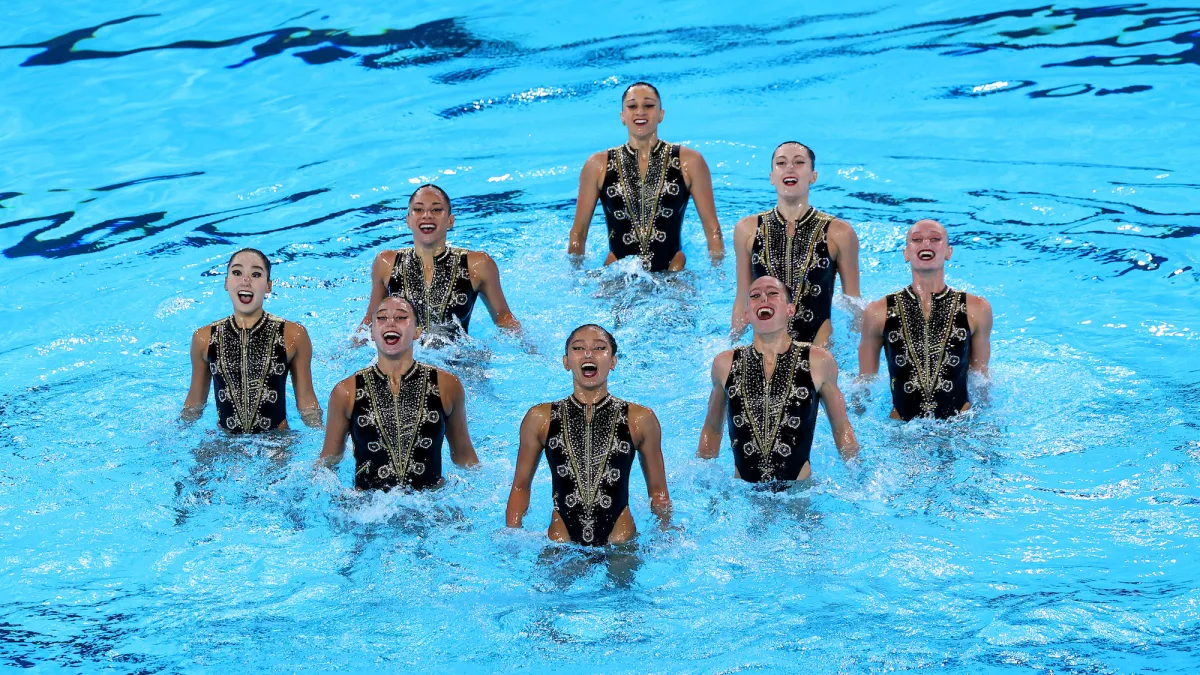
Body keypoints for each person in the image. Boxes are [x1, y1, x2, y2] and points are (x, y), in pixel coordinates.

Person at [506, 325, 671, 545]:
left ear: (613, 361)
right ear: (566, 362)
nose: (588, 354)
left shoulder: (639, 419)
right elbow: (520, 485)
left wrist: (665, 531)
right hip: (561, 541)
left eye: (600, 348)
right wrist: (512, 535)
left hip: (620, 540)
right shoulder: (540, 418)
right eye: (578, 348)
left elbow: (658, 491)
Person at [698, 276, 859, 481]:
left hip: (798, 494)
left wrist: (856, 475)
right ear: (747, 314)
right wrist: (704, 480)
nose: (763, 298)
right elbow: (712, 428)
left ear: (790, 310)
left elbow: (841, 427)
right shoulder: (725, 364)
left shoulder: (818, 361)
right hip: (744, 495)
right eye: (755, 296)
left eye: (773, 293)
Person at [320, 296, 479, 489]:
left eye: (401, 317)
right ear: (371, 332)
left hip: (430, 507)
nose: (391, 323)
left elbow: (464, 456)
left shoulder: (447, 386)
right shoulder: (346, 392)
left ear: (417, 332)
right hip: (366, 510)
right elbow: (328, 461)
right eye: (381, 318)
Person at [568, 82, 724, 272]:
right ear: (622, 116)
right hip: (618, 276)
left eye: (649, 106)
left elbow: (712, 230)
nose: (640, 112)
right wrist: (575, 277)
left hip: (673, 275)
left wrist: (718, 274)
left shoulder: (690, 162)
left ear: (661, 114)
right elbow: (579, 233)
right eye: (632, 106)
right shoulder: (597, 165)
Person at [858, 219, 993, 421]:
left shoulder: (977, 309)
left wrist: (988, 423)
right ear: (906, 253)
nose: (926, 244)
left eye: (935, 239)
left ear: (948, 252)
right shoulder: (878, 312)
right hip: (902, 430)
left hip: (960, 426)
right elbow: (865, 383)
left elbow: (980, 379)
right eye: (917, 240)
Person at [731, 141, 861, 345]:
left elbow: (853, 303)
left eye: (799, 162)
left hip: (820, 350)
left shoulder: (840, 233)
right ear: (772, 177)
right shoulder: (747, 229)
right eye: (781, 163)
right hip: (765, 345)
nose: (789, 168)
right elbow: (742, 298)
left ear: (813, 176)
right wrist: (733, 343)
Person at [182, 248, 322, 432]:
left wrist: (324, 438)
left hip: (276, 442)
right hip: (225, 442)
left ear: (268, 286)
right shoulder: (204, 338)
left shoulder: (293, 335)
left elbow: (307, 404)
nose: (246, 280)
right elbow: (195, 404)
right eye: (237, 272)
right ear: (226, 283)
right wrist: (175, 433)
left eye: (256, 274)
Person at [361, 184, 521, 341]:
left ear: (450, 221)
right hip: (407, 360)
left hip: (459, 362)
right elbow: (370, 321)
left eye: (436, 209)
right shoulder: (387, 264)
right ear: (408, 220)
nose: (427, 215)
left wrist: (531, 349)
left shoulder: (478, 265)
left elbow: (503, 317)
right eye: (418, 209)